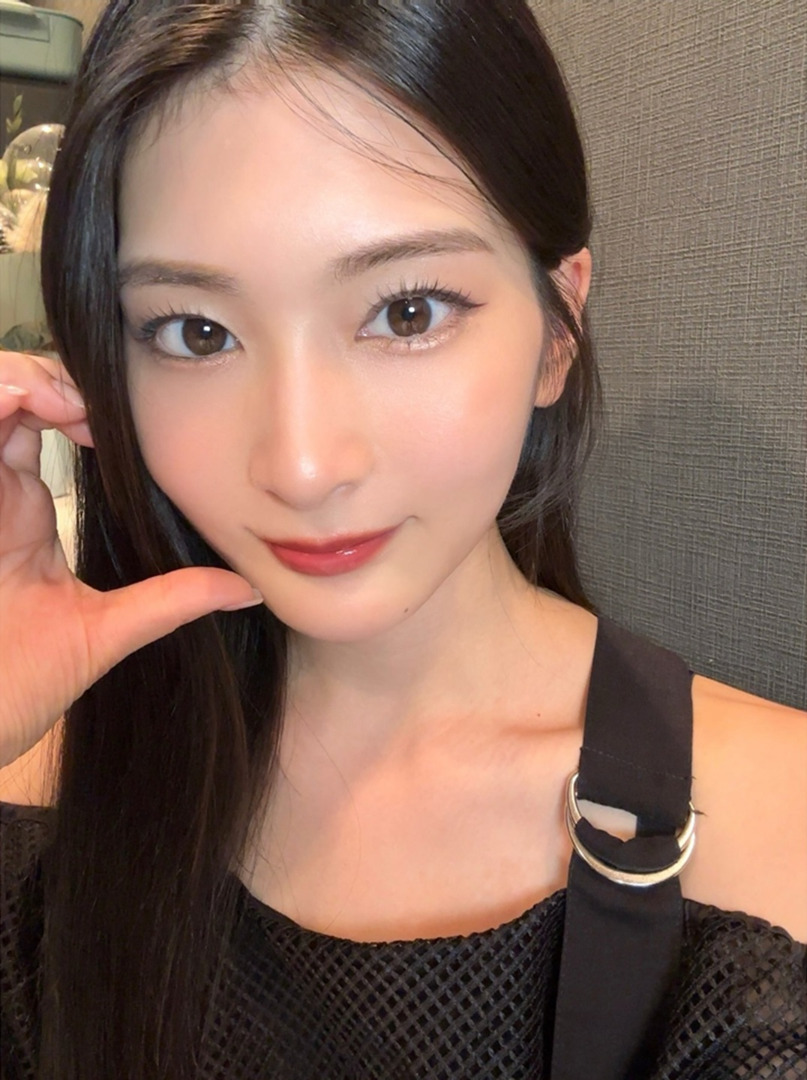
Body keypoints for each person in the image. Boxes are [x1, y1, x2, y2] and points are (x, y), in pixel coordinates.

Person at [0, 1, 804, 1077]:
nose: (301, 465)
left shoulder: (776, 836)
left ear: (556, 333)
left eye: (408, 313)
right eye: (196, 332)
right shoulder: (44, 775)